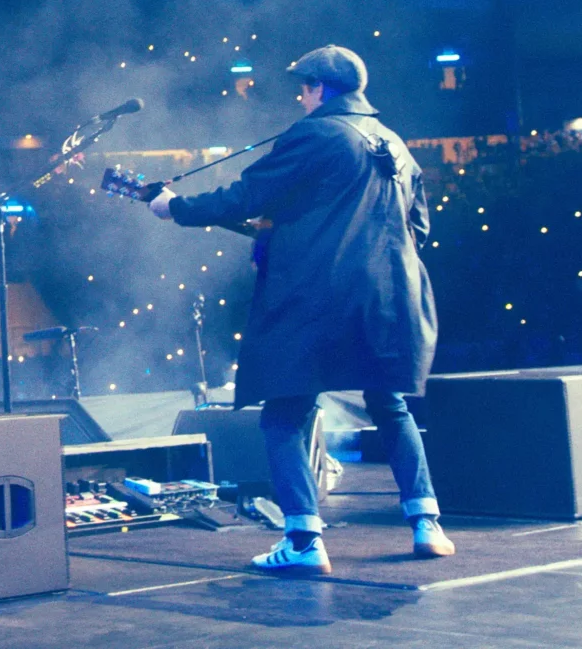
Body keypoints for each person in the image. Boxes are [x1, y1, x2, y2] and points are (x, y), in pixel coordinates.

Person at [149, 44, 450, 574]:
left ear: (320, 89)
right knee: (390, 404)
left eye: (304, 87)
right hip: (391, 297)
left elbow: (248, 194)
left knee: (285, 414)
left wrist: (175, 207)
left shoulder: (315, 133)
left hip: (319, 298)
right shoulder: (397, 145)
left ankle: (305, 541)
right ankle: (427, 523)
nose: (301, 97)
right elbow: (418, 228)